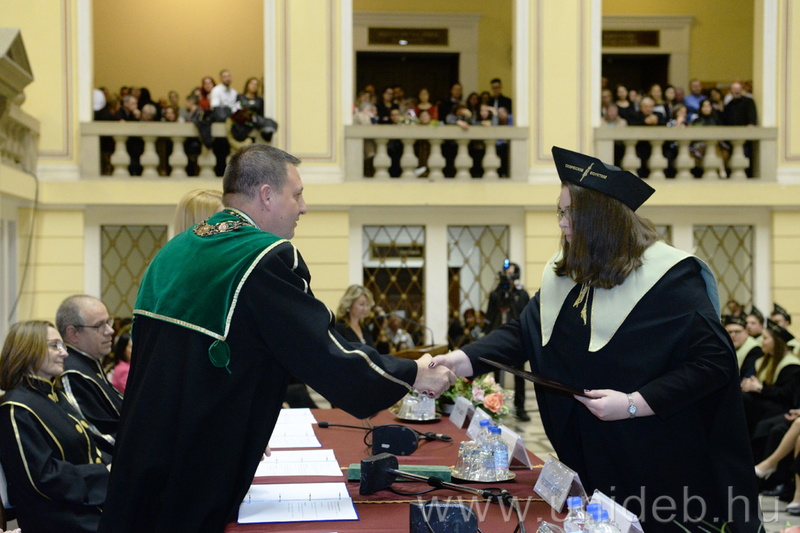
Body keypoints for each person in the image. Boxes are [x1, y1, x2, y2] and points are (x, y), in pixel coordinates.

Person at [97, 144, 455, 533]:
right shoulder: (263, 257)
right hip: (194, 476)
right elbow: (326, 355)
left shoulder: (173, 252)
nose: (303, 207)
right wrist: (413, 373)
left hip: (141, 466)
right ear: (267, 195)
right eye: (297, 195)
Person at [432, 146, 761, 532]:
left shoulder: (671, 277)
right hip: (594, 458)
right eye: (560, 212)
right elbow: (524, 332)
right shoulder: (570, 274)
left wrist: (634, 404)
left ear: (600, 219)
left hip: (661, 462)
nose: (562, 223)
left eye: (569, 213)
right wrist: (459, 360)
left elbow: (715, 363)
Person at [0, 320, 111, 533]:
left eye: (63, 346)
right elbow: (42, 479)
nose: (65, 353)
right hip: (57, 517)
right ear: (28, 349)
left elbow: (89, 449)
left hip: (82, 504)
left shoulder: (55, 396)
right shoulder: (16, 408)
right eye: (55, 346)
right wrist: (103, 473)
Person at [56, 295, 122, 453]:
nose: (110, 331)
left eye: (108, 322)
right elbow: (95, 436)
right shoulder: (72, 374)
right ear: (73, 334)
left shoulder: (89, 364)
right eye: (99, 325)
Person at [485, 261, 531, 421]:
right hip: (498, 338)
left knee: (520, 374)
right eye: (506, 273)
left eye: (511, 274)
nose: (508, 277)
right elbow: (489, 316)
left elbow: (525, 315)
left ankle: (520, 408)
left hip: (517, 339)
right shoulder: (496, 294)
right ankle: (495, 407)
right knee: (496, 374)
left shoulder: (522, 294)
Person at [741, 320, 800, 438]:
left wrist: (760, 388)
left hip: (782, 406)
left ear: (776, 342)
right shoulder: (764, 360)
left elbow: (785, 394)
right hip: (768, 402)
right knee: (742, 397)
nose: (761, 342)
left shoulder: (791, 365)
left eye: (765, 338)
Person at [110, 329, 132, 394]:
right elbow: (130, 393)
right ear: (123, 349)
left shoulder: (129, 366)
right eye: (131, 347)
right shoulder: (123, 370)